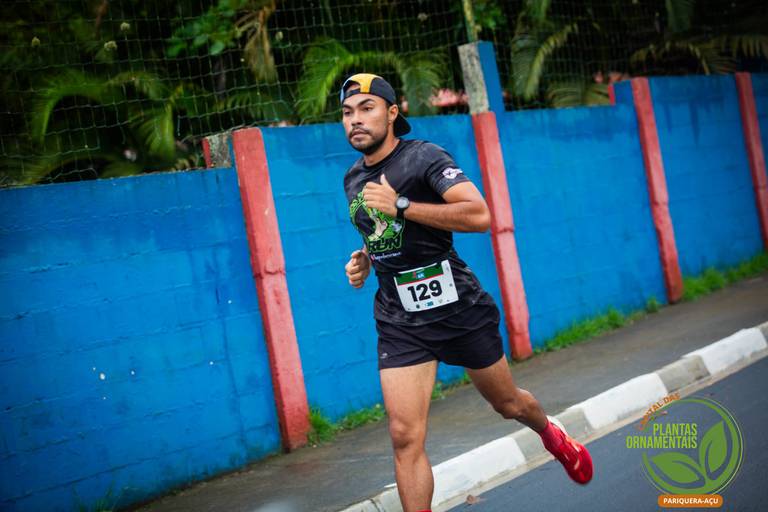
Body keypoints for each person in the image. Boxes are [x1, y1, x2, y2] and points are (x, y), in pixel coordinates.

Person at [340, 73, 593, 512]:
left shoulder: (423, 158)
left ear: (392, 112)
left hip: (457, 308)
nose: (355, 120)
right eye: (347, 113)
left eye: (367, 108)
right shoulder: (353, 178)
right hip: (400, 318)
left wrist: (401, 204)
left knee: (509, 404)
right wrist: (365, 259)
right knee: (404, 435)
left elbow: (478, 215)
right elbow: (384, 233)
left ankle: (551, 433)